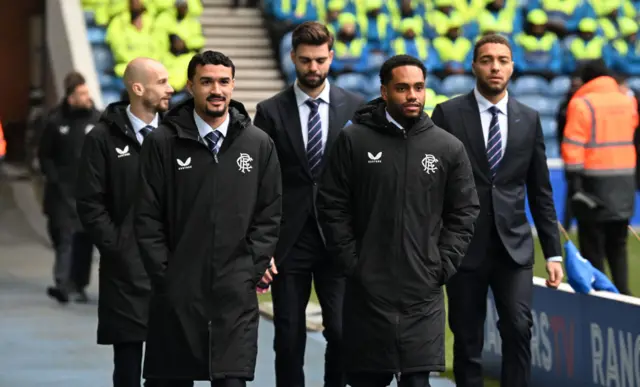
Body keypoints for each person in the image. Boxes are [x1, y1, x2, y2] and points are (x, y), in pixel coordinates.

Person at [317, 54, 480, 387]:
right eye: (403, 87)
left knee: (417, 382)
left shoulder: (447, 147)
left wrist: (442, 263)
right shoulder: (354, 140)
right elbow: (331, 205)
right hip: (367, 291)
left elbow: (464, 211)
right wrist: (352, 261)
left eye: (419, 87)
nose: (413, 96)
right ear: (384, 91)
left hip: (423, 290)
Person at [134, 50, 282, 387]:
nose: (216, 90)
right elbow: (146, 217)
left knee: (231, 381)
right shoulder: (161, 143)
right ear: (190, 86)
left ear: (233, 86)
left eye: (223, 82)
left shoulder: (259, 144)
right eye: (207, 82)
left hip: (234, 296)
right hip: (177, 296)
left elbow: (269, 215)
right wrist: (167, 275)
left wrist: (249, 270)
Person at [430, 33, 564, 387]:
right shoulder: (448, 113)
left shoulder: (530, 118)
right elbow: (433, 186)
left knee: (519, 328)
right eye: (487, 60)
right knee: (467, 339)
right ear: (474, 65)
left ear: (512, 67)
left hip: (514, 247)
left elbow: (541, 191)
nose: (495, 67)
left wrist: (554, 253)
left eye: (502, 60)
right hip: (462, 247)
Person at [253, 21, 364, 387]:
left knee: (345, 332)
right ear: (292, 58)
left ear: (331, 56)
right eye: (305, 60)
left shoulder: (356, 107)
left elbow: (364, 180)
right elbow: (261, 183)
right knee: (287, 337)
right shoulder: (270, 111)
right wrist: (262, 245)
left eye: (319, 60)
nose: (313, 68)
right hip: (289, 240)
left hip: (338, 239)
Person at [75, 57, 174, 387]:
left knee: (170, 367)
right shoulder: (102, 137)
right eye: (161, 81)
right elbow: (90, 202)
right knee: (128, 366)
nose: (170, 88)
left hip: (173, 270)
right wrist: (118, 246)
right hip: (125, 271)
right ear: (138, 88)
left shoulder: (179, 133)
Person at [562, 59, 638, 296]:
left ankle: (599, 298)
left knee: (593, 246)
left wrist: (573, 182)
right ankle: (624, 294)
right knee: (619, 244)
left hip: (592, 183)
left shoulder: (582, 103)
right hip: (625, 180)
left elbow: (573, 146)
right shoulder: (627, 100)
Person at [38, 71, 101, 304]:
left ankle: (78, 284)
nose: (87, 97)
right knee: (64, 238)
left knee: (84, 241)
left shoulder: (98, 120)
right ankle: (62, 284)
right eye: (82, 94)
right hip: (61, 194)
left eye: (87, 92)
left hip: (90, 193)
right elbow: (44, 156)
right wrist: (55, 179)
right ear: (71, 97)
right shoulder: (55, 122)